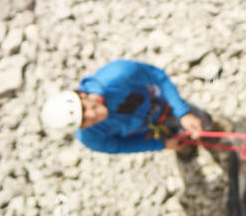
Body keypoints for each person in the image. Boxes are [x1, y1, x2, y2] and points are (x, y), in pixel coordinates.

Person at [40, 59, 224, 161]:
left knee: (200, 120)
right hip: (147, 131)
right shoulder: (91, 138)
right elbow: (122, 145)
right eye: (84, 121)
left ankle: (213, 129)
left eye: (85, 108)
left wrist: (183, 112)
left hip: (160, 105)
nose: (92, 116)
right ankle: (183, 146)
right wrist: (162, 145)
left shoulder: (118, 75)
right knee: (178, 141)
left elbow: (157, 76)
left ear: (81, 95)